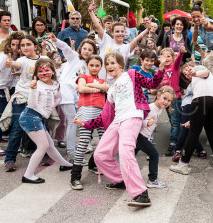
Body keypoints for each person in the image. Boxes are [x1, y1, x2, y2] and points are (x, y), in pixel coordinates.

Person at [93, 52, 166, 207]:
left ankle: (141, 193)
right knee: (100, 154)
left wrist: (160, 69)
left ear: (120, 64)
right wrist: (87, 124)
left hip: (132, 117)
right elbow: (106, 114)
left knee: (126, 153)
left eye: (113, 62)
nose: (110, 66)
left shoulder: (131, 75)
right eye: (107, 64)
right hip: (118, 121)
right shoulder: (111, 89)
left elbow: (152, 84)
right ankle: (120, 179)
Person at [19, 59, 73, 184]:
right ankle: (28, 175)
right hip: (30, 117)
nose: (43, 73)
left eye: (47, 70)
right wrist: (33, 89)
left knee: (49, 145)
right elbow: (32, 105)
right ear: (37, 73)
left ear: (53, 71)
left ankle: (64, 164)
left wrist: (51, 106)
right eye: (40, 71)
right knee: (43, 146)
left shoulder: (55, 84)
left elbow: (59, 96)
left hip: (39, 118)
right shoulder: (36, 85)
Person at [48, 32, 98, 161]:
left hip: (77, 97)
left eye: (90, 49)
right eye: (85, 48)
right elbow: (65, 48)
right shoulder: (74, 56)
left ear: (94, 52)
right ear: (80, 49)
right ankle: (71, 155)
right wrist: (56, 40)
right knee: (72, 122)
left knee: (77, 123)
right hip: (66, 94)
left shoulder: (90, 66)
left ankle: (76, 152)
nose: (86, 51)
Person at [2, 35, 48, 172]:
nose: (25, 47)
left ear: (35, 46)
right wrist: (10, 63)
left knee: (42, 127)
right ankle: (10, 159)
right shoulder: (22, 60)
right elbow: (18, 65)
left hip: (40, 98)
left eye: (28, 44)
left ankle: (45, 155)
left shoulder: (43, 60)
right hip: (22, 97)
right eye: (22, 45)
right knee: (17, 129)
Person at [170, 63, 213, 175]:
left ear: (191, 66)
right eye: (185, 74)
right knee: (209, 128)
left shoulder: (198, 69)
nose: (187, 73)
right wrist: (193, 120)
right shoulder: (197, 82)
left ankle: (183, 165)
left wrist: (194, 72)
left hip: (202, 99)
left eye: (186, 69)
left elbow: (205, 72)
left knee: (194, 132)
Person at [69, 55, 108, 190]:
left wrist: (93, 86)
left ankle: (92, 164)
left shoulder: (103, 80)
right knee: (84, 142)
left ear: (101, 66)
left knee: (104, 141)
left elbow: (107, 88)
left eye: (97, 65)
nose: (94, 68)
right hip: (86, 110)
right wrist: (98, 89)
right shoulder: (83, 77)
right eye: (92, 65)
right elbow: (81, 89)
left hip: (101, 112)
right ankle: (75, 176)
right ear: (87, 65)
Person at [88, 1, 149, 84]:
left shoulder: (126, 47)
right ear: (112, 33)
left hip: (117, 83)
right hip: (102, 81)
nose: (120, 34)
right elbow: (98, 26)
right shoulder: (106, 40)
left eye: (122, 31)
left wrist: (148, 29)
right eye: (117, 31)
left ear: (125, 33)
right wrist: (91, 12)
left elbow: (139, 37)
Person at [159, 46, 186, 156]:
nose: (166, 58)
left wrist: (181, 52)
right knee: (172, 120)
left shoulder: (174, 67)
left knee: (175, 122)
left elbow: (179, 59)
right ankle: (180, 139)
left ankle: (174, 143)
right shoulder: (161, 70)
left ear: (173, 58)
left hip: (175, 98)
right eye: (164, 56)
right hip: (165, 99)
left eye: (168, 56)